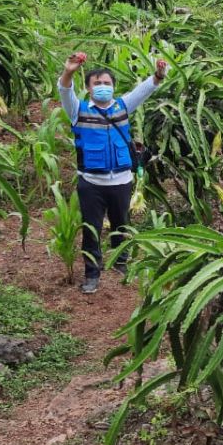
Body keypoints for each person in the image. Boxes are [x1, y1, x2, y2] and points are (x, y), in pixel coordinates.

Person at [58, 51, 168, 294]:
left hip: (121, 180)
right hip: (91, 182)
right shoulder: (79, 110)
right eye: (97, 84)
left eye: (107, 83)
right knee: (91, 228)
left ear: (114, 88)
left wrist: (158, 76)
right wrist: (69, 71)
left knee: (121, 224)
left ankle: (121, 262)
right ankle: (92, 274)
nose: (103, 87)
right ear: (88, 89)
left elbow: (145, 89)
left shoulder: (123, 106)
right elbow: (65, 91)